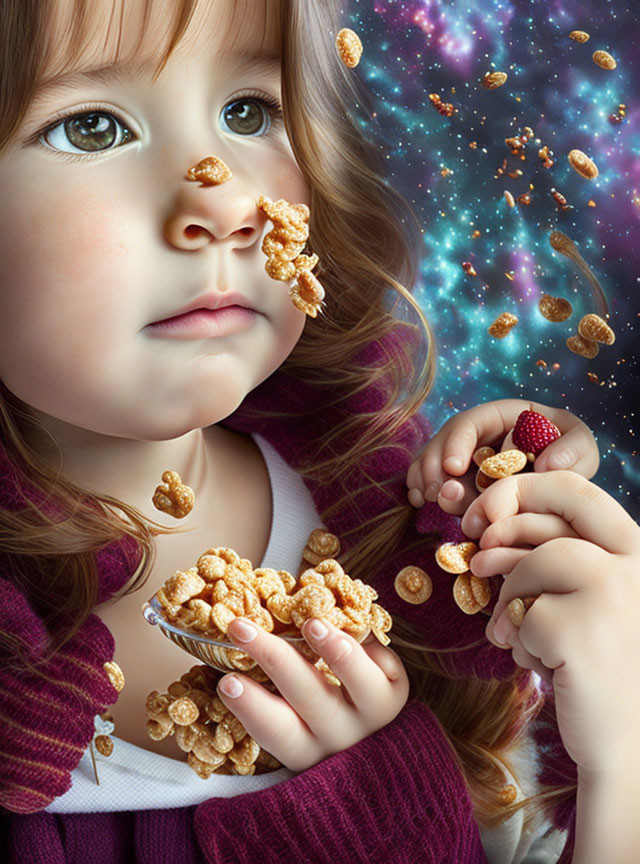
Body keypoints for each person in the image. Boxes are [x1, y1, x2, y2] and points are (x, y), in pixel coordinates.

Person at [0, 0, 635, 861]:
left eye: (250, 113)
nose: (225, 204)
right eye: (90, 128)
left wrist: (619, 767)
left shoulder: (402, 539)